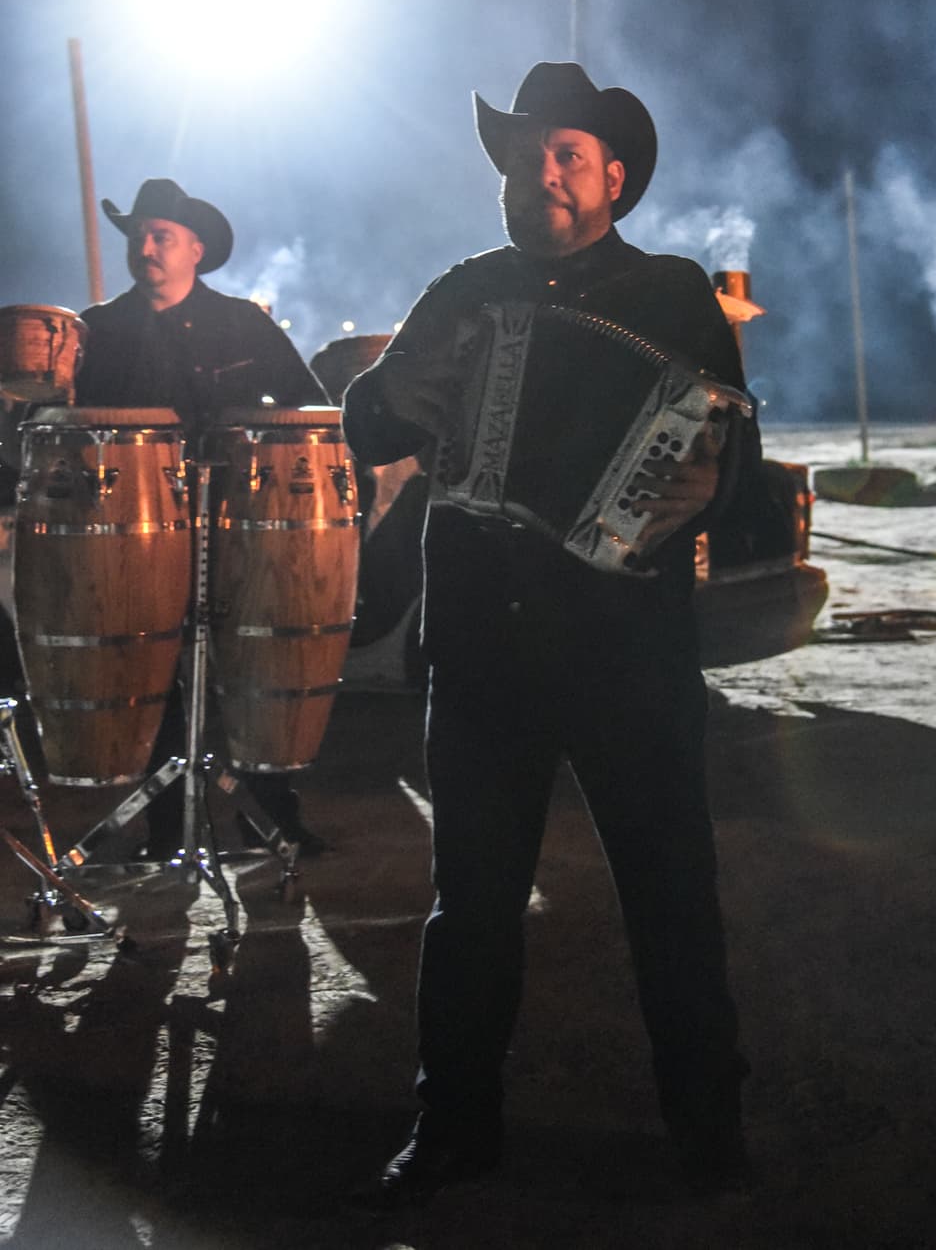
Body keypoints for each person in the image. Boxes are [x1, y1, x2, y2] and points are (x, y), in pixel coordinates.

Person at [343, 62, 757, 1209]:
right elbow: (370, 423)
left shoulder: (672, 293)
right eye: (525, 157)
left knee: (669, 891)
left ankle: (707, 1129)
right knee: (471, 903)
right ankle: (452, 1126)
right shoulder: (463, 291)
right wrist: (391, 396)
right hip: (483, 638)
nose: (542, 174)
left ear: (613, 175)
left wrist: (710, 488)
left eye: (566, 154)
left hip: (626, 641)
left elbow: (733, 457)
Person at [76, 177, 330, 854]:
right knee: (152, 669)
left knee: (257, 664)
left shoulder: (243, 323)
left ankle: (271, 817)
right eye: (138, 236)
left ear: (195, 248)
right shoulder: (98, 329)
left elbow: (305, 404)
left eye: (160, 236)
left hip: (240, 518)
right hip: (135, 526)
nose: (145, 248)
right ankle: (166, 828)